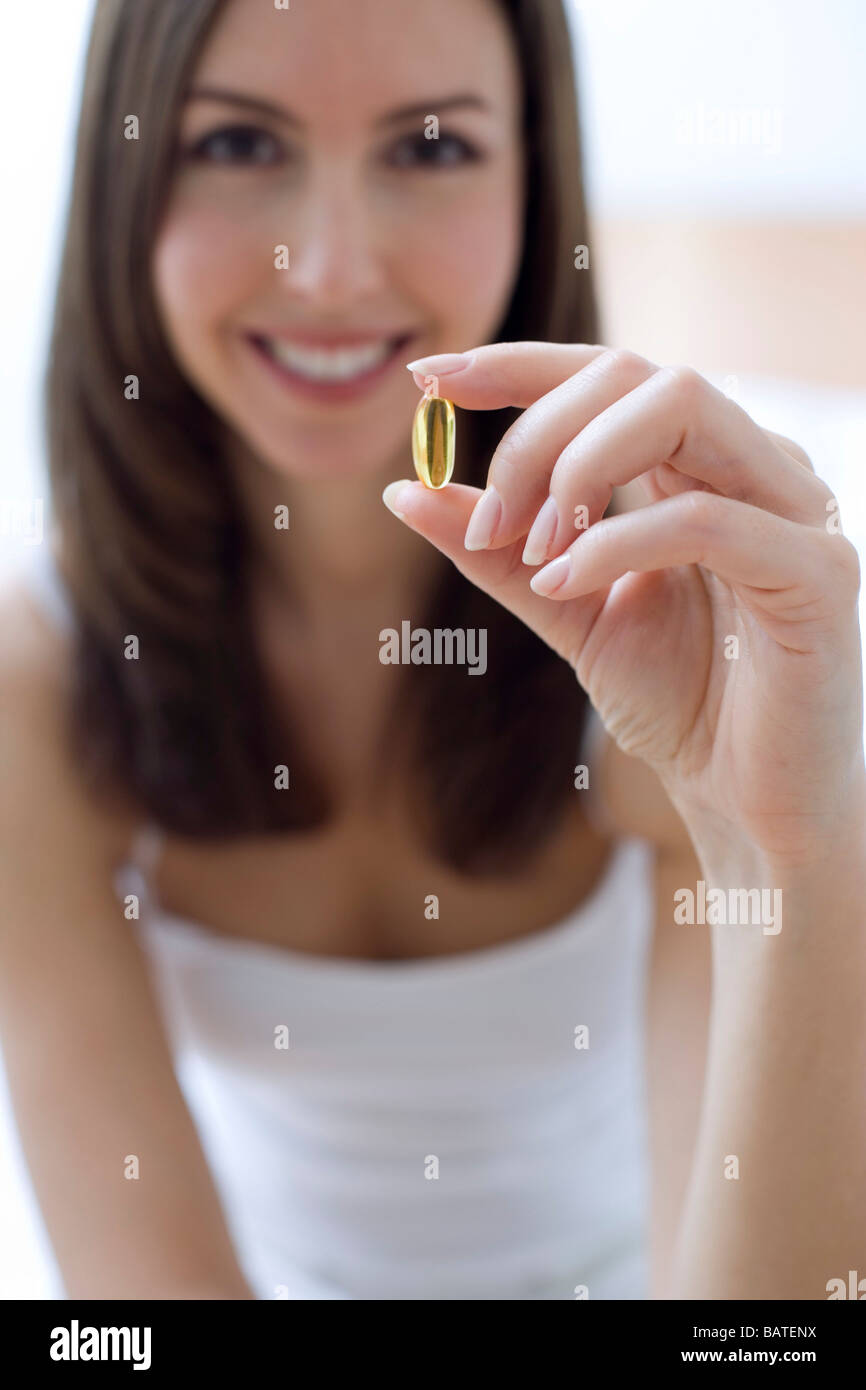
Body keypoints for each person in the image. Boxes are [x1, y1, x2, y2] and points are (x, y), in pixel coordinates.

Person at [1, 0, 864, 1302]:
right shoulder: (37, 683)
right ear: (127, 181)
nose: (334, 267)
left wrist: (791, 849)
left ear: (534, 173)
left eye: (428, 147)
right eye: (239, 145)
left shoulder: (661, 641)